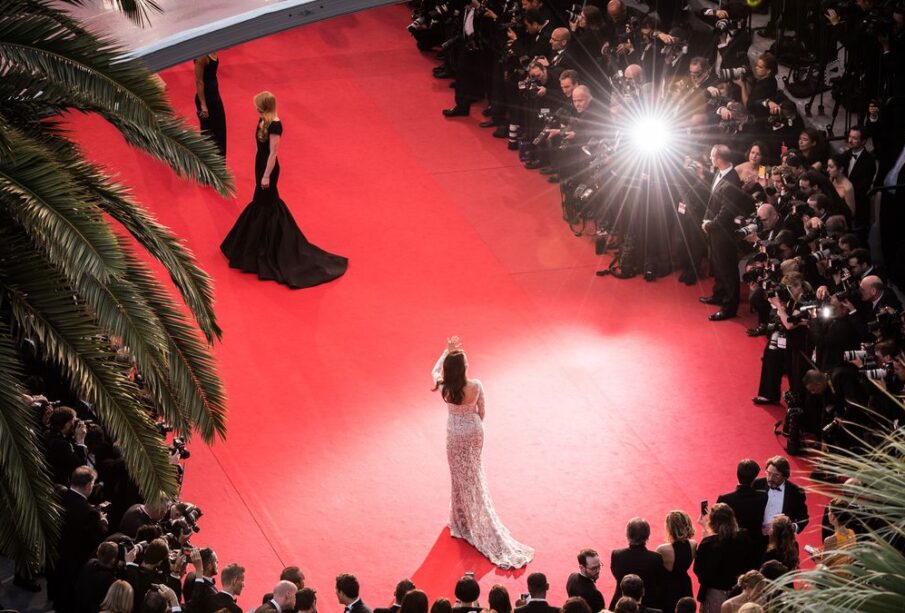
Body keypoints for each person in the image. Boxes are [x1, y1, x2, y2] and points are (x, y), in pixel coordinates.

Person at [220, 91, 347, 289]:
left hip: (268, 169)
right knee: (262, 205)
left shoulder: (275, 124)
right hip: (260, 165)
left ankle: (266, 249)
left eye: (257, 105)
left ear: (264, 106)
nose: (254, 108)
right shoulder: (262, 119)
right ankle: (258, 247)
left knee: (264, 205)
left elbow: (273, 153)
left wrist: (266, 176)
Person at [431, 336, 533, 568]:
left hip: (454, 435)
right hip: (474, 432)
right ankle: (470, 516)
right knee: (474, 475)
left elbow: (434, 370)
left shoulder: (444, 387)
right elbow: (482, 411)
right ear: (464, 368)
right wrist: (474, 427)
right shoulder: (476, 386)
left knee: (459, 477)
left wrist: (446, 352)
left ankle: (462, 520)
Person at [700, 144, 754, 321]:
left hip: (724, 232)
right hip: (715, 229)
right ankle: (718, 294)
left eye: (712, 156)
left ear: (719, 159)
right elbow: (713, 200)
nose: (710, 158)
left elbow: (727, 211)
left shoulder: (731, 181)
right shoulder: (719, 173)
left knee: (728, 269)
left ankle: (729, 307)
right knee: (717, 265)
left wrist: (710, 225)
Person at [693, 503, 755, 613]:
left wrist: (706, 530)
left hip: (715, 594)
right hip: (739, 593)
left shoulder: (708, 544)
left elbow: (699, 571)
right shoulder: (744, 538)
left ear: (712, 523)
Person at [716, 460, 767, 560]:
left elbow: (717, 525)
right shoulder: (763, 497)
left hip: (730, 547)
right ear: (755, 478)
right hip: (755, 548)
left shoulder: (725, 499)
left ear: (737, 474)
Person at [609, 518, 665, 610]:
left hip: (620, 603)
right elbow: (658, 581)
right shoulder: (656, 558)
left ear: (627, 534)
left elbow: (616, 573)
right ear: (647, 535)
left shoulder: (617, 555)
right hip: (648, 604)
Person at [753, 456, 809, 536]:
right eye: (768, 473)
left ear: (785, 476)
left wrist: (791, 527)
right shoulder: (757, 484)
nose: (770, 478)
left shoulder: (796, 492)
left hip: (782, 539)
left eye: (776, 475)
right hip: (758, 536)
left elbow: (803, 518)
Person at [656, 510, 696, 613]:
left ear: (670, 528)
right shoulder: (693, 544)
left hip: (667, 589)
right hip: (685, 585)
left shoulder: (662, 549)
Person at [194, 52, 227, 157]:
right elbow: (199, 81)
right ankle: (209, 168)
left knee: (220, 133)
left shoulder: (211, 49)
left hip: (215, 97)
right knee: (209, 137)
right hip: (207, 100)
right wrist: (203, 105)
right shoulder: (201, 56)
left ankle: (220, 166)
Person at [566, 548, 605, 613]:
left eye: (599, 566)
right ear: (581, 567)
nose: (598, 570)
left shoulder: (572, 577)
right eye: (593, 568)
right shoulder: (595, 594)